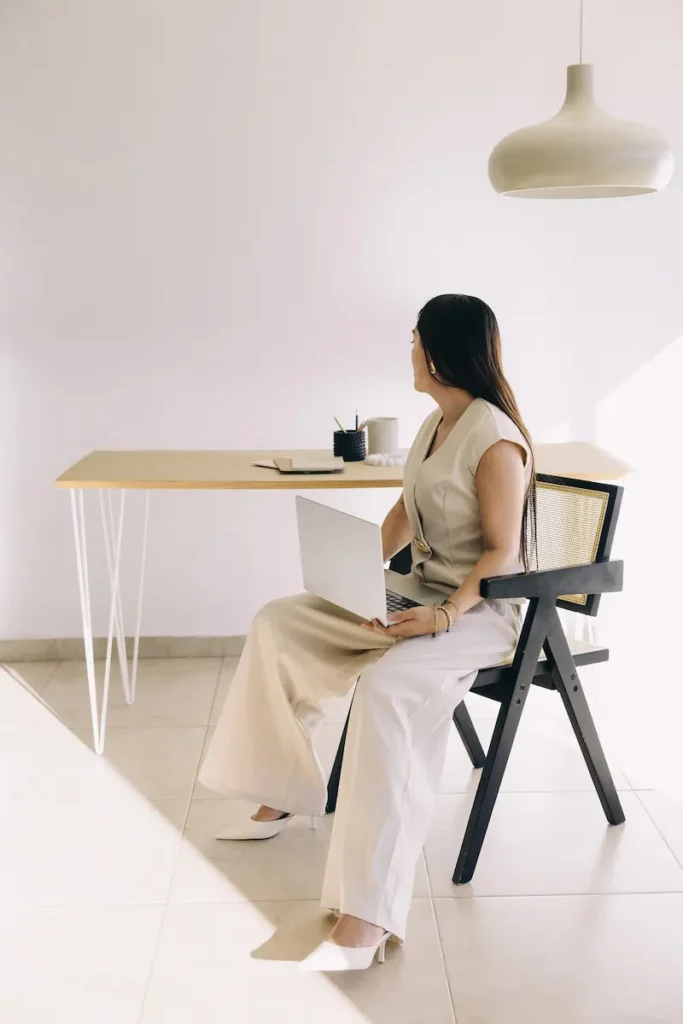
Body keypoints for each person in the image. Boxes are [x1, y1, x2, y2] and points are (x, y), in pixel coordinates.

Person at [198, 294, 535, 971]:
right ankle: (286, 794)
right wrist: (354, 576)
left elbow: (500, 552)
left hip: (479, 613)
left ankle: (367, 916)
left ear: (439, 350)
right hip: (417, 594)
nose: (408, 350)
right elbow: (405, 510)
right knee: (279, 622)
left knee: (385, 690)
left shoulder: (494, 437)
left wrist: (443, 614)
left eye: (414, 340)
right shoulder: (435, 422)